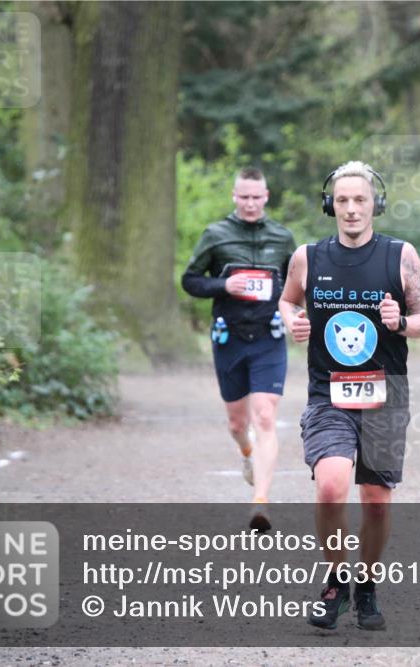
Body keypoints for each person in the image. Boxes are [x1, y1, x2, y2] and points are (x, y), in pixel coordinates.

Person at [278, 161, 420, 631]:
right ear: (331, 205)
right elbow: (287, 300)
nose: (350, 209)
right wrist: (292, 320)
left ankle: (365, 585)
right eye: (342, 200)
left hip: (386, 395)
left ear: (375, 205)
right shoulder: (308, 258)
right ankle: (335, 581)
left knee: (376, 501)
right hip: (328, 394)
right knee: (330, 485)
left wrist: (400, 322)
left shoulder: (401, 256)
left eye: (359, 200)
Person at [181, 167, 296, 531]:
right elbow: (190, 281)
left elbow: (296, 284)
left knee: (265, 416)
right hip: (229, 337)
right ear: (234, 197)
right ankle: (246, 453)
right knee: (237, 422)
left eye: (256, 197)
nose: (249, 203)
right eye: (243, 197)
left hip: (269, 337)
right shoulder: (215, 235)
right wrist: (225, 285)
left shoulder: (282, 238)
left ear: (266, 197)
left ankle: (259, 503)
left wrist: (298, 311)